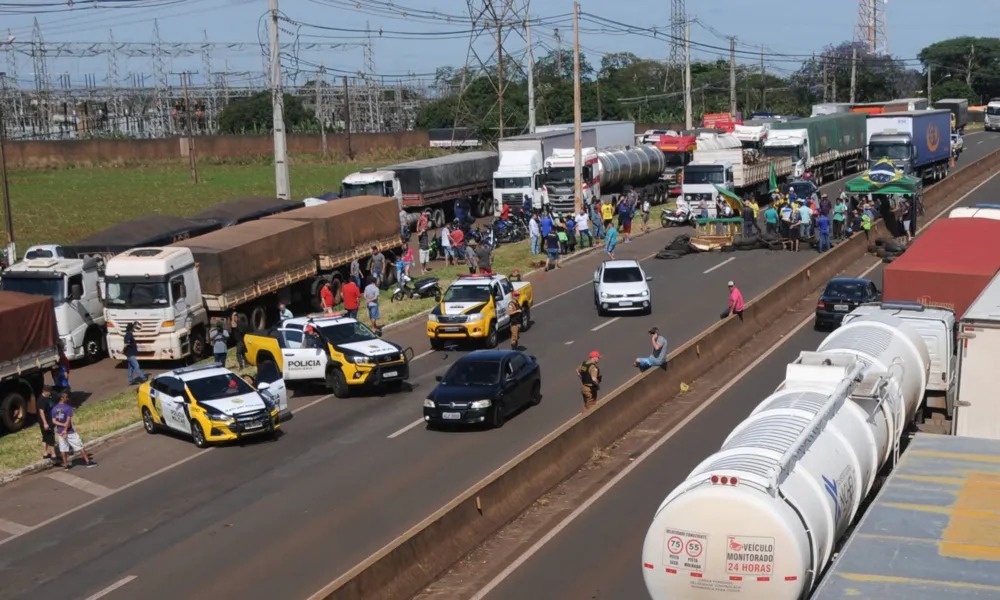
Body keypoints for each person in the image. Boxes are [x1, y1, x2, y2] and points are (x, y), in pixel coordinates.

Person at [51, 391, 96, 469]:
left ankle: (66, 465)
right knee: (79, 445)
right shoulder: (68, 408)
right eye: (66, 397)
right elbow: (68, 421)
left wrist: (61, 426)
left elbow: (53, 421)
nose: (67, 398)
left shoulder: (54, 408)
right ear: (62, 398)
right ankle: (88, 461)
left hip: (60, 432)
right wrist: (65, 429)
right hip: (69, 432)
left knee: (63, 449)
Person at [37, 387, 58, 463]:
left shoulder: (44, 398)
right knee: (50, 437)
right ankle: (53, 455)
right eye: (49, 392)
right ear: (45, 391)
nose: (50, 394)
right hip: (47, 422)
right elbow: (41, 412)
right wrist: (45, 423)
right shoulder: (41, 400)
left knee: (45, 438)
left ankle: (45, 453)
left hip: (45, 422)